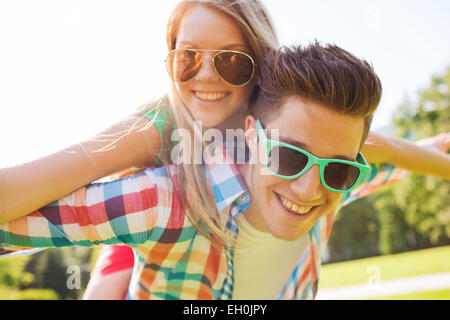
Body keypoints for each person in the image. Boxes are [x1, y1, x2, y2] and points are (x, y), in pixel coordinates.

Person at [1, 41, 450, 300]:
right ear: (251, 135)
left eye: (338, 170)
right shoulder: (168, 204)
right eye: (291, 156)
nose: (310, 188)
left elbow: (394, 159)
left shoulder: (337, 184)